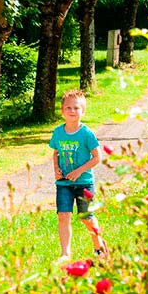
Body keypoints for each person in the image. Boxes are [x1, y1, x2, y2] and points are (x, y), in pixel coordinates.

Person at [50, 89, 108, 261]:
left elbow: (97, 157)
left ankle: (99, 246)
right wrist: (56, 169)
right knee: (63, 215)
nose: (72, 111)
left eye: (76, 108)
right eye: (68, 108)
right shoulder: (58, 133)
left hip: (84, 183)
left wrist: (79, 171)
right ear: (62, 111)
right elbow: (55, 153)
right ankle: (65, 254)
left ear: (83, 111)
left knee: (86, 217)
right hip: (63, 183)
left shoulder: (86, 133)